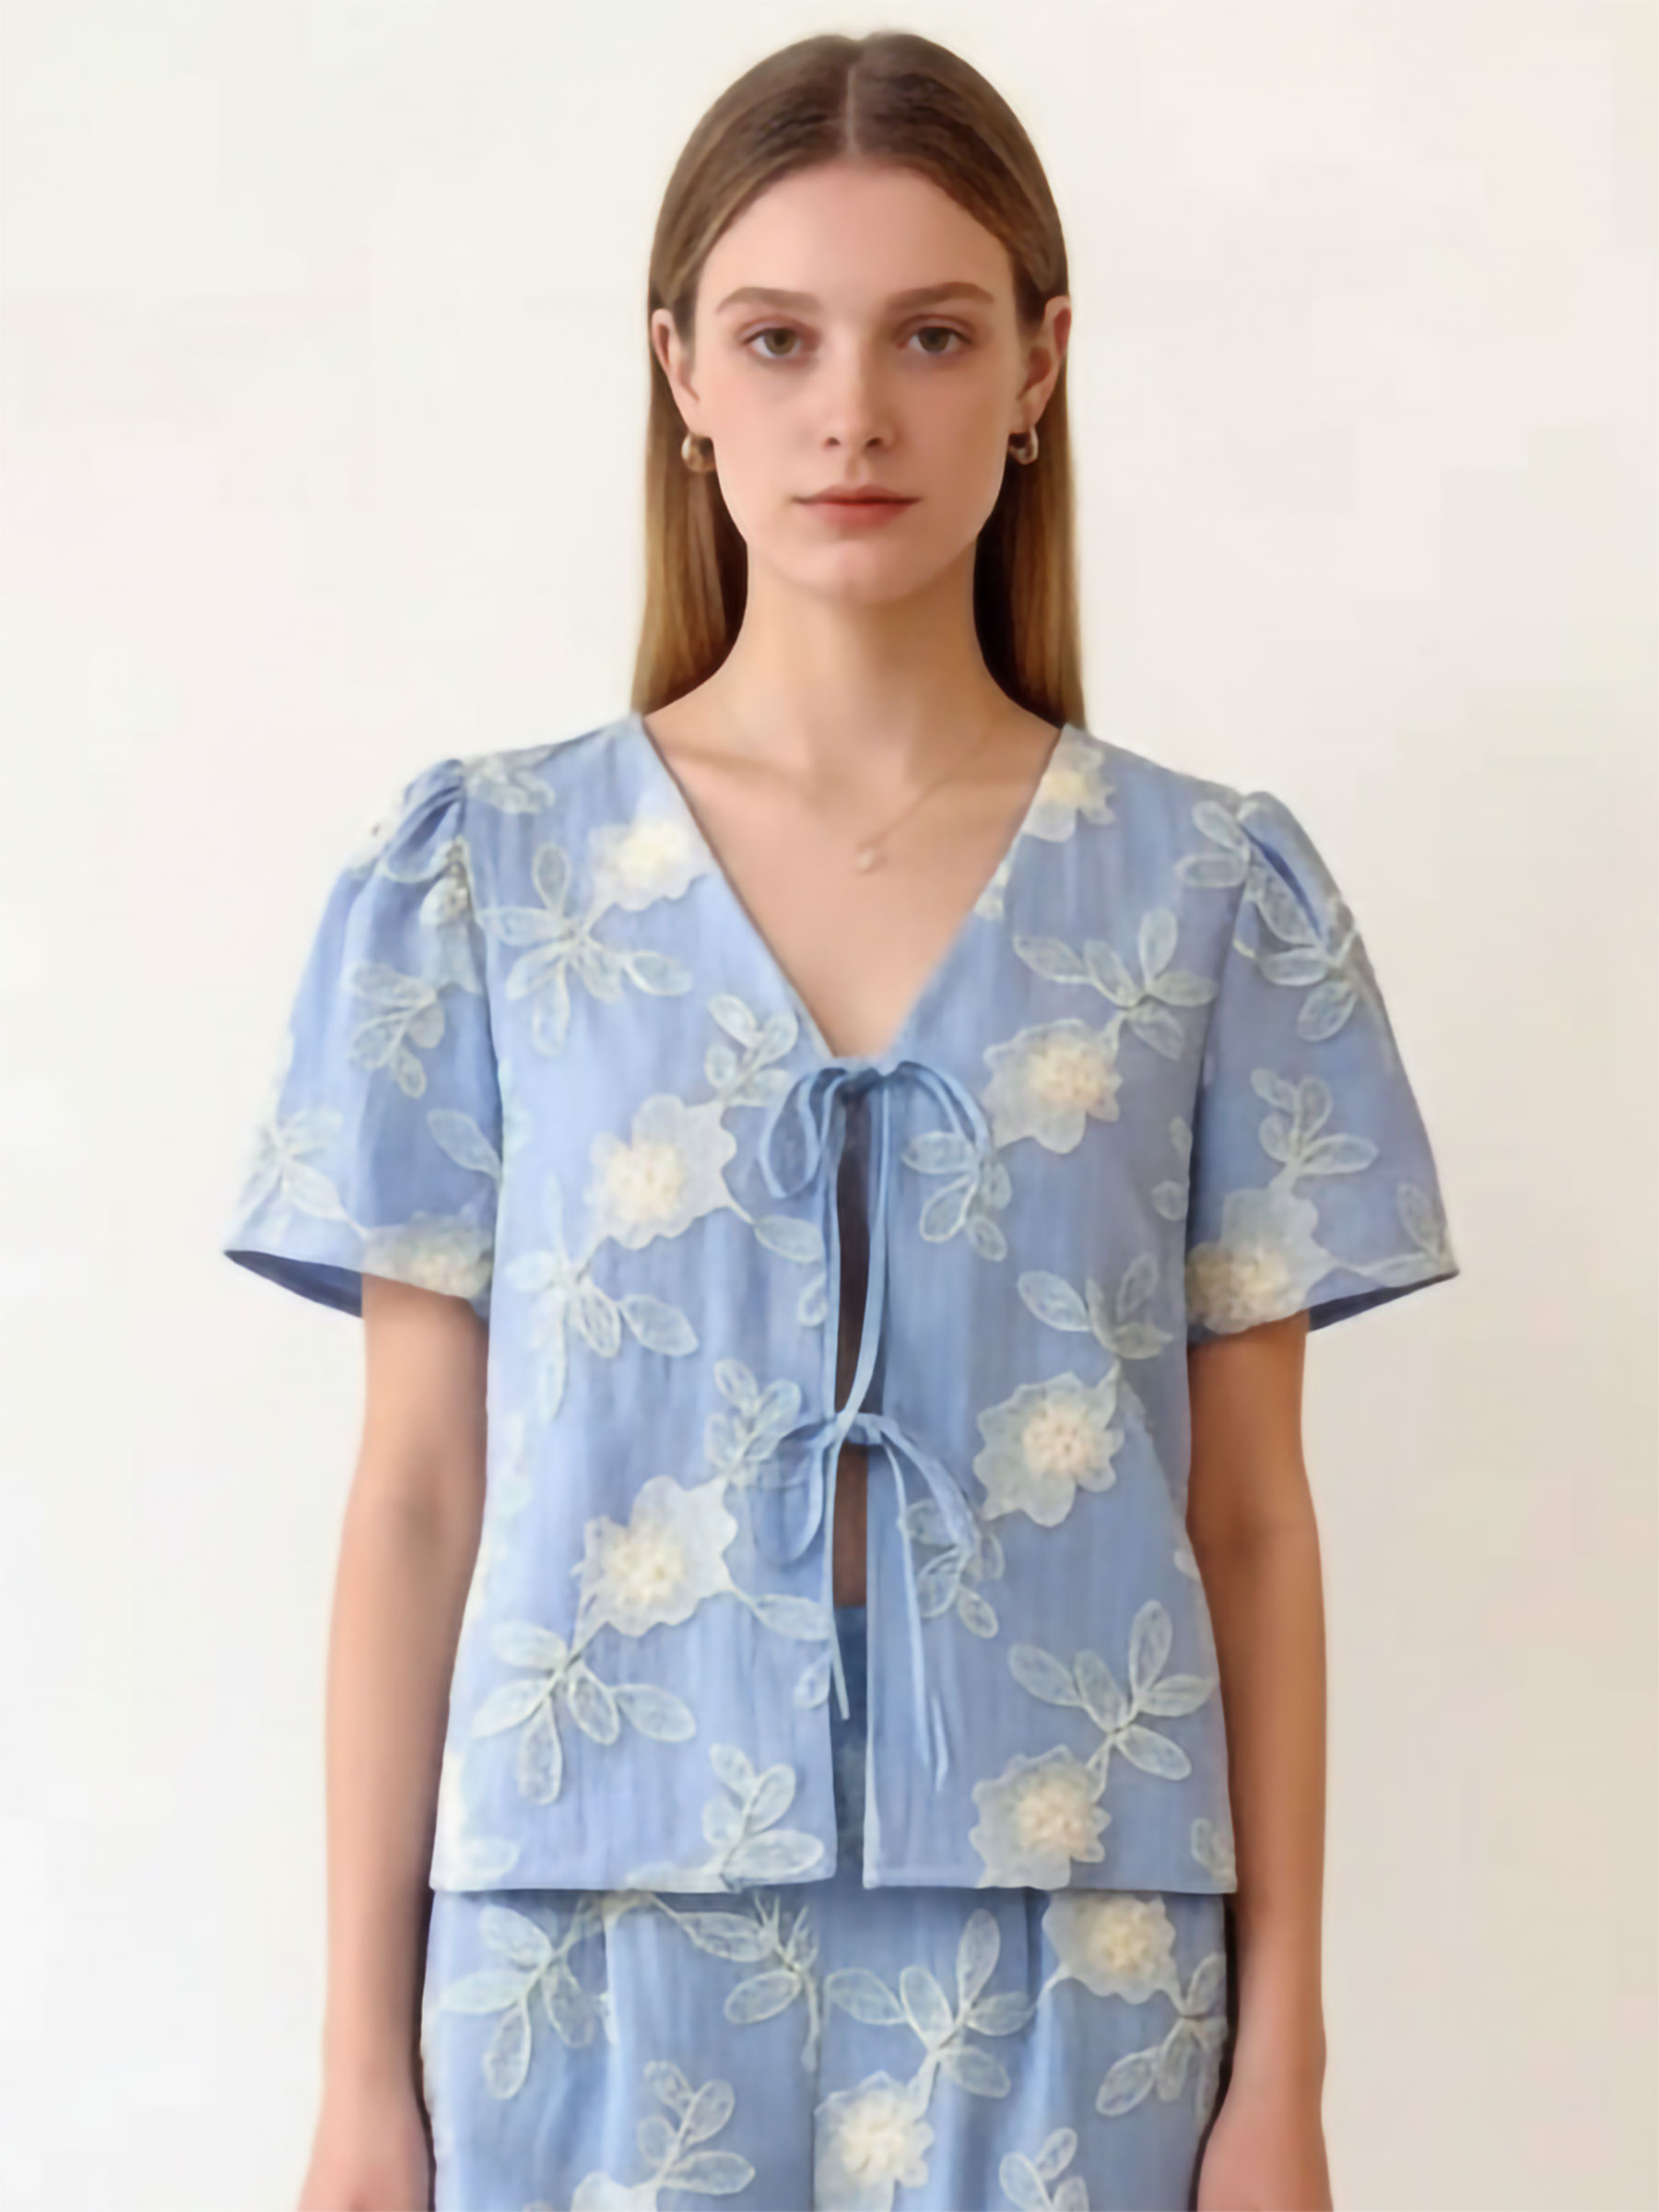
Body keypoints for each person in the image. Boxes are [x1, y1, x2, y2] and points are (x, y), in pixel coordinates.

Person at [221, 30, 1460, 2212]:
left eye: (933, 335)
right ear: (682, 375)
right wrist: (357, 2079)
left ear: (1040, 366)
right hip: (579, 1955)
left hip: (1079, 1954)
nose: (853, 413)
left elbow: (1254, 1522)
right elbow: (415, 1495)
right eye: (780, 338)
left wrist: (1285, 2070)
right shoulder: (483, 882)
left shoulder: (1206, 898)